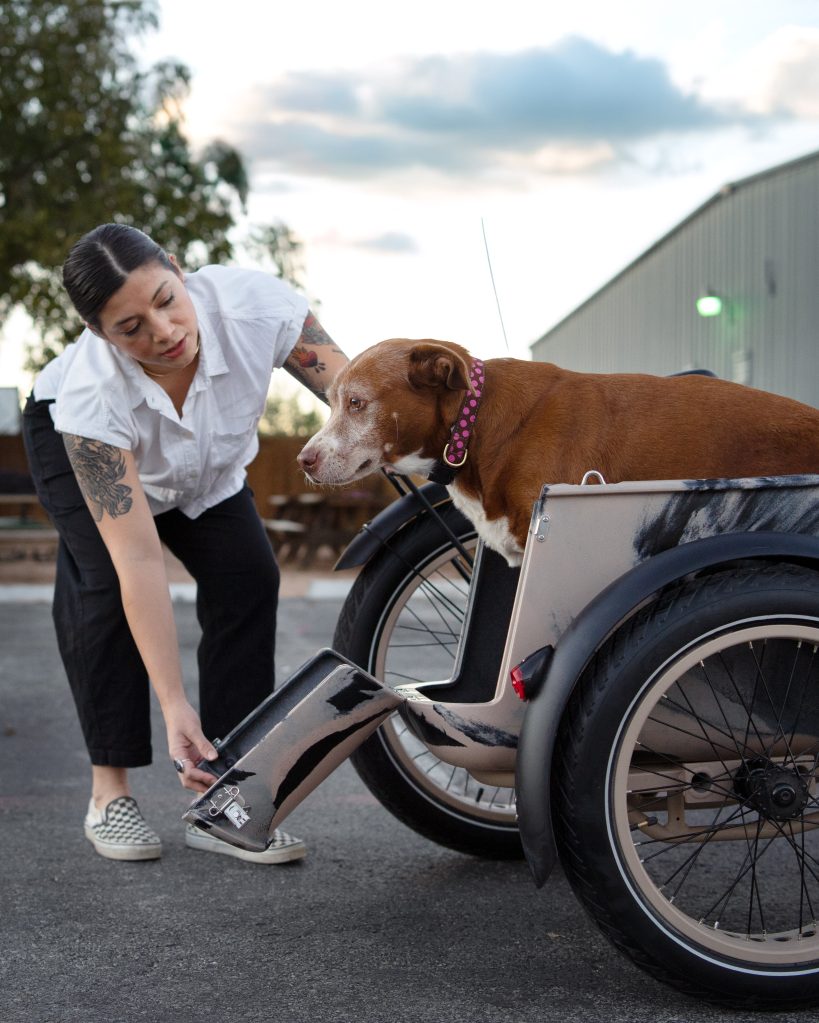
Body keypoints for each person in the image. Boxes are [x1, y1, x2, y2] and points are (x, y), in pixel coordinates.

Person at [22, 223, 348, 864]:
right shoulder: (91, 397)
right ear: (98, 333)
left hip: (206, 467)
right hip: (83, 446)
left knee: (249, 577)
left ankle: (227, 797)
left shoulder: (259, 308)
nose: (163, 333)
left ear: (178, 268)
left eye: (166, 300)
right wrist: (174, 707)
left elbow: (355, 395)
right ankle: (108, 795)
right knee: (110, 588)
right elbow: (140, 559)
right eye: (131, 327)